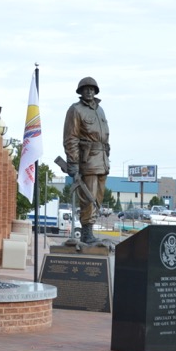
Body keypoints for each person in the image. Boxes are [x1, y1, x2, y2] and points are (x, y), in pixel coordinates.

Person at [62, 76, 110, 246]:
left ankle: (90, 230)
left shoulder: (100, 110)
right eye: (86, 89)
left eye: (92, 89)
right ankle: (86, 232)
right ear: (80, 91)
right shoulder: (75, 110)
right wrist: (73, 162)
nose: (89, 91)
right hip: (87, 160)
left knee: (98, 198)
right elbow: (71, 137)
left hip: (102, 160)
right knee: (88, 198)